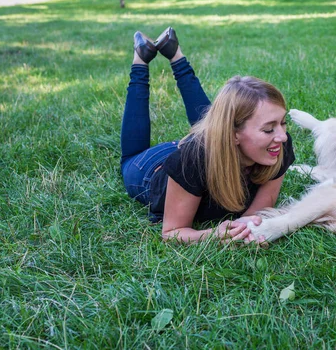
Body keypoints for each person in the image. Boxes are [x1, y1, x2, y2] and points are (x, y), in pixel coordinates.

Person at [120, 27, 295, 245]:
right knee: (130, 157)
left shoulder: (278, 146)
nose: (282, 136)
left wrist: (247, 228)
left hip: (203, 149)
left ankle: (174, 53)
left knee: (211, 125)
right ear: (232, 134)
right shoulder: (191, 162)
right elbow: (172, 232)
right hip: (149, 169)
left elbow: (257, 213)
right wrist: (213, 234)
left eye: (283, 123)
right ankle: (140, 60)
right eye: (269, 129)